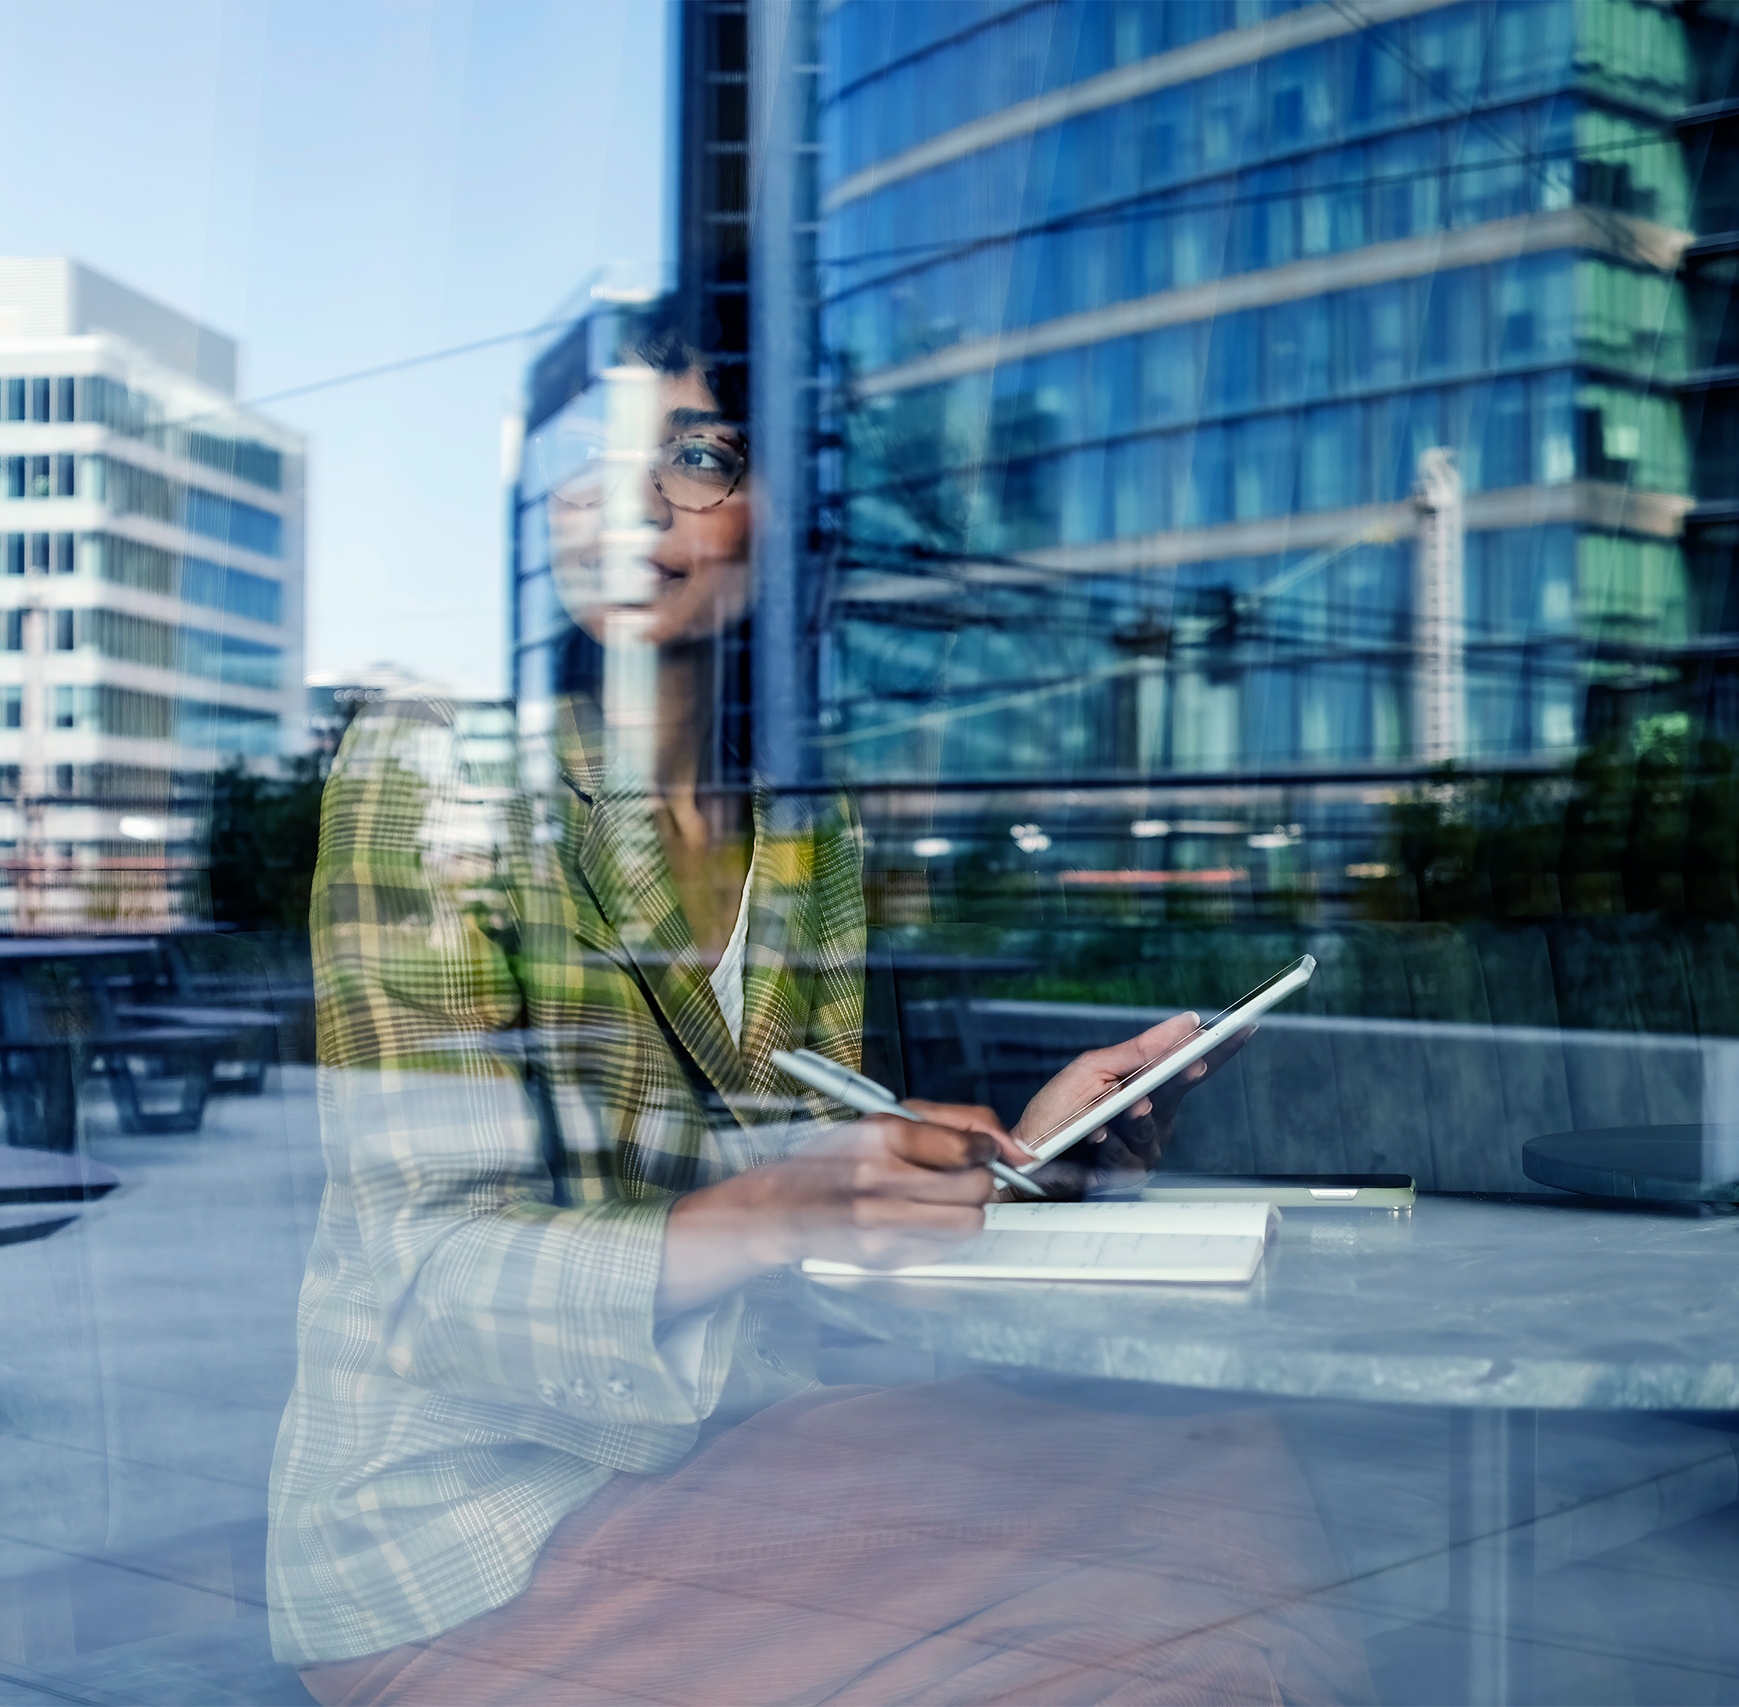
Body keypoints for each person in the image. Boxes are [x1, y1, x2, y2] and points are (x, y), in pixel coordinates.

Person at [267, 308, 1368, 1705]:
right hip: (477, 1532)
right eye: (590, 458)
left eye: (700, 455)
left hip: (725, 1449)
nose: (630, 501)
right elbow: (428, 1282)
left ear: (790, 518)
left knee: (1210, 1477)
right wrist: (786, 1210)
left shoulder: (801, 826)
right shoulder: (439, 772)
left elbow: (787, 1186)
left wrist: (1009, 1164)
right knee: (1163, 1591)